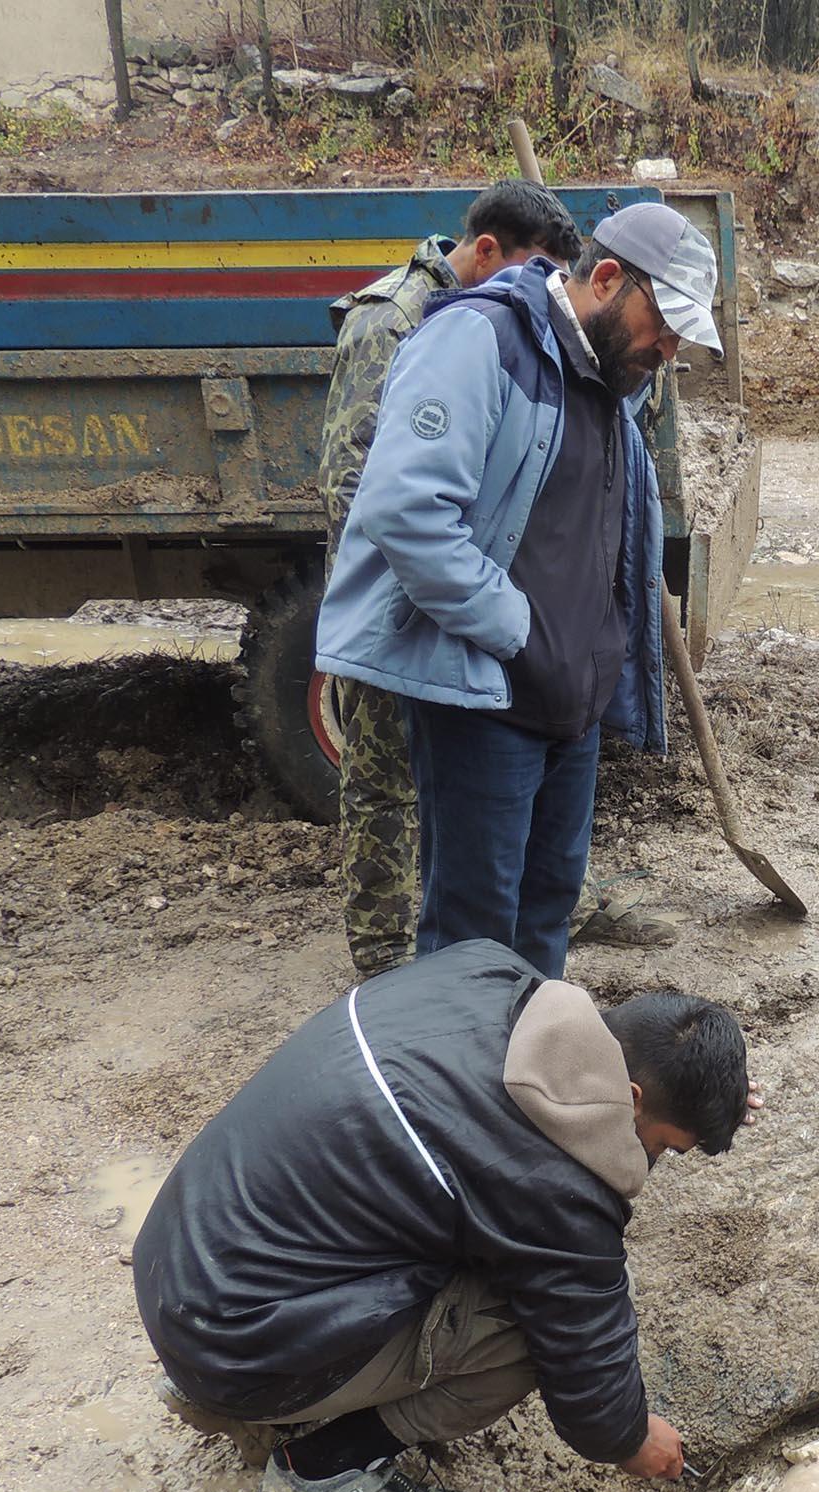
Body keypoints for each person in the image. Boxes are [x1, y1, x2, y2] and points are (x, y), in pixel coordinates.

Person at [133, 940, 753, 1492]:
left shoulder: (485, 972)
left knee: (466, 1238)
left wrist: (709, 1099)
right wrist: (632, 1437)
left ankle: (236, 1388)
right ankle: (321, 1472)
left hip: (185, 1271)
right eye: (667, 1146)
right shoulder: (556, 1184)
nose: (653, 1159)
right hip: (235, 1341)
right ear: (634, 1097)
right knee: (530, 1331)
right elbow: (588, 1379)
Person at [315, 202, 721, 977]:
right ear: (606, 279)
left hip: (570, 709)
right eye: (663, 323)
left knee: (545, 919)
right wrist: (516, 629)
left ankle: (533, 1084)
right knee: (472, 939)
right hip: (487, 700)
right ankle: (458, 1092)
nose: (668, 349)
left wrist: (600, 654)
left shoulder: (610, 374)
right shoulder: (479, 340)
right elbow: (404, 511)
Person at [318, 181, 583, 982]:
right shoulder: (394, 320)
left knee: (461, 794)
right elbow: (357, 485)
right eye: (535, 273)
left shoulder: (510, 327)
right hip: (402, 600)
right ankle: (383, 962)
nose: (544, 295)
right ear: (489, 252)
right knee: (384, 782)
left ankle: (450, 936)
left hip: (458, 593)